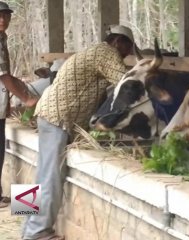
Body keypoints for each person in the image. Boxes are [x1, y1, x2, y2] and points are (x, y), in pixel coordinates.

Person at [22, 25, 135, 240]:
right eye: (128, 47)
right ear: (118, 41)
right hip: (59, 118)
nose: (128, 53)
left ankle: (26, 229)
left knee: (41, 175)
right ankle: (37, 233)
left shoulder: (95, 51)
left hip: (50, 114)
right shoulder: (106, 53)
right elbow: (127, 83)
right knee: (50, 178)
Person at [0, 1, 38, 208]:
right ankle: (29, 213)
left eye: (6, 15)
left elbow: (6, 77)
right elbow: (3, 76)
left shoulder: (3, 38)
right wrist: (27, 99)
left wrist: (9, 100)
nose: (3, 20)